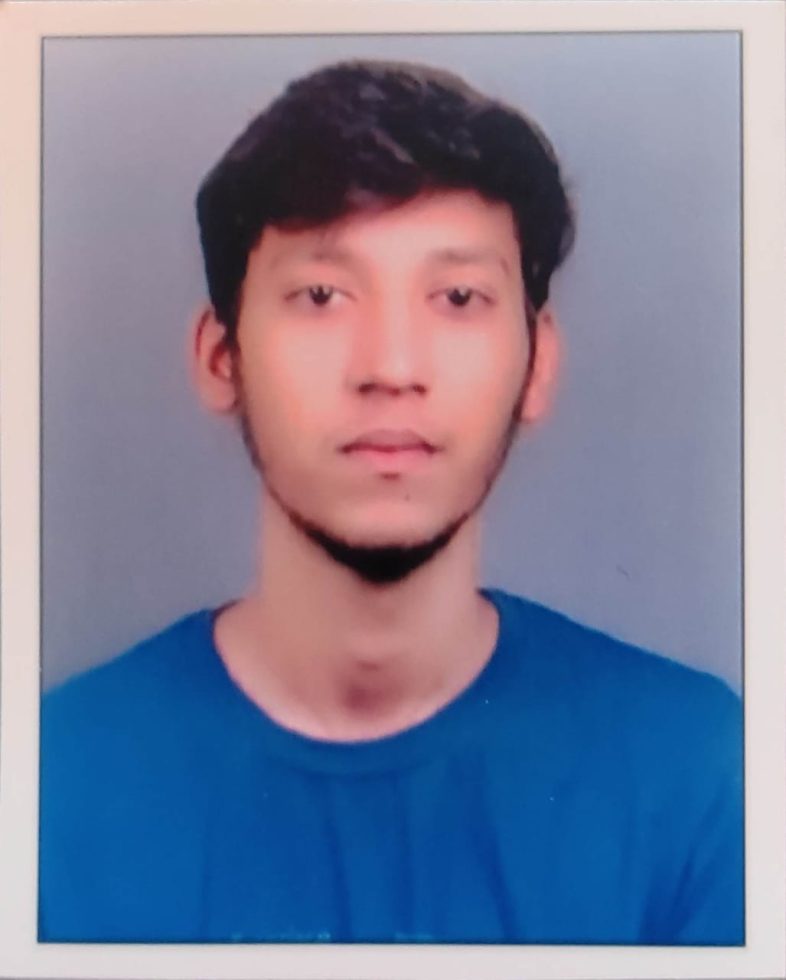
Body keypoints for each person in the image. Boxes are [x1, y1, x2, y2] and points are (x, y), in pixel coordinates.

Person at [39, 59, 743, 945]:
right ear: (222, 358)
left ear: (538, 363)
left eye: (458, 297)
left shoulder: (700, 777)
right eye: (322, 296)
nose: (392, 367)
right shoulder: (50, 786)